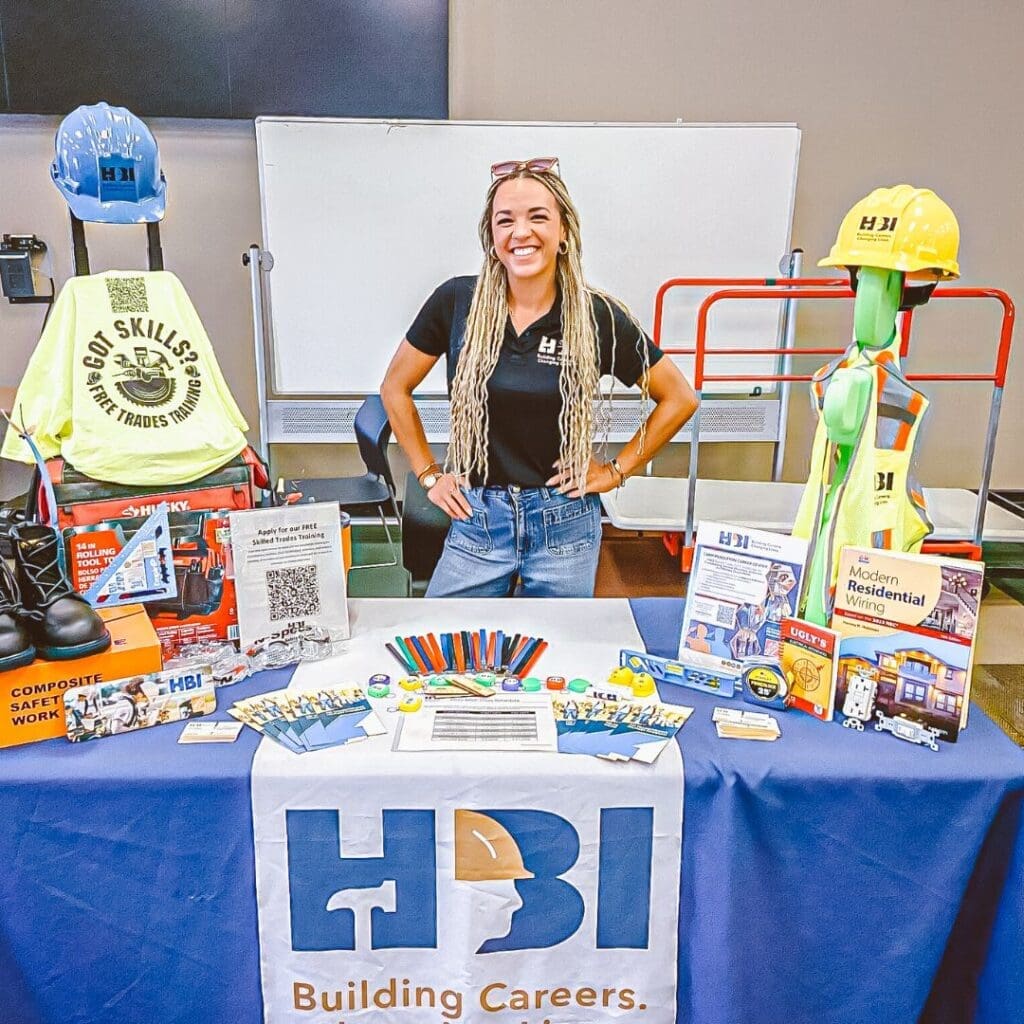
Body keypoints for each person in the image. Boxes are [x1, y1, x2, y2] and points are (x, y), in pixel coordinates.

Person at [381, 157, 698, 598]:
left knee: (557, 657)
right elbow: (394, 387)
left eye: (538, 217)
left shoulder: (596, 316)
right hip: (479, 519)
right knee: (447, 649)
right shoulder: (457, 301)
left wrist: (615, 471)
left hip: (563, 522)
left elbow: (680, 398)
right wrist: (430, 476)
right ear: (492, 237)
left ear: (564, 231)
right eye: (505, 220)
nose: (521, 232)